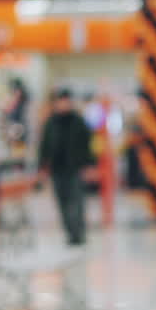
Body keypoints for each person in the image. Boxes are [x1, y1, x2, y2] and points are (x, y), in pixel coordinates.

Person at [38, 88, 94, 246]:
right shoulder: (51, 122)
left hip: (75, 168)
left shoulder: (78, 121)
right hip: (57, 169)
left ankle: (78, 232)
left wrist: (89, 164)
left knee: (76, 202)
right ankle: (70, 233)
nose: (63, 104)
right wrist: (42, 166)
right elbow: (44, 146)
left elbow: (87, 144)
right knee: (62, 202)